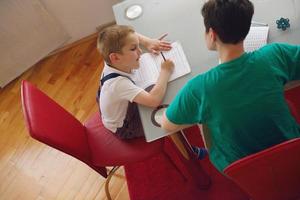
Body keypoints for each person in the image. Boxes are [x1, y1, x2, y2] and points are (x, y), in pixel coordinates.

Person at [161, 0, 300, 172]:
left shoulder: (199, 88)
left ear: (212, 34)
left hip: (242, 169)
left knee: (204, 123)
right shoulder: (274, 54)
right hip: (292, 152)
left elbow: (168, 124)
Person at [96, 25, 174, 139]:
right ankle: (191, 152)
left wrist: (148, 41)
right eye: (133, 49)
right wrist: (165, 71)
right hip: (125, 126)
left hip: (114, 100)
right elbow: (154, 101)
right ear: (115, 58)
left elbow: (131, 35)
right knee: (167, 119)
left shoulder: (110, 56)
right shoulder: (119, 84)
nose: (140, 51)